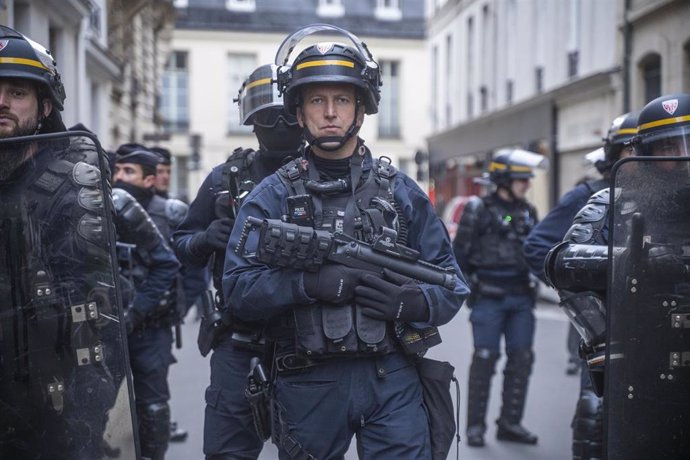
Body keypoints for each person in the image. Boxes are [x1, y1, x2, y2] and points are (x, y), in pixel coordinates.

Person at [222, 25, 468, 459]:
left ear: (362, 108)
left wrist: (412, 304)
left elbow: (451, 284)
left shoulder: (402, 192)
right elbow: (237, 290)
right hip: (307, 382)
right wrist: (307, 286)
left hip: (392, 377)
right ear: (299, 113)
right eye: (317, 100)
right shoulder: (271, 196)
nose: (330, 112)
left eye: (342, 99)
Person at [0, 25, 141, 458]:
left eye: (17, 92)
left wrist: (83, 419)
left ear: (44, 106)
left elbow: (97, 315)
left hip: (43, 399)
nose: (1, 102)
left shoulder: (69, 186)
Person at [545, 93, 690, 459]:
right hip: (640, 361)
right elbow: (562, 264)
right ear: (646, 156)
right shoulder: (611, 202)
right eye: (669, 148)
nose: (682, 156)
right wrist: (632, 260)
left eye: (688, 143)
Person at [173, 62, 303, 460]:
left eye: (286, 115)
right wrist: (203, 241)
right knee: (228, 451)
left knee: (307, 448)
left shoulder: (326, 175)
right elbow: (179, 242)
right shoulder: (224, 177)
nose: (279, 124)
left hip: (309, 340)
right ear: (251, 119)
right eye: (268, 116)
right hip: (239, 340)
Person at [523, 112, 638, 459]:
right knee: (596, 414)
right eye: (631, 151)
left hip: (656, 333)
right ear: (615, 155)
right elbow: (538, 248)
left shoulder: (664, 197)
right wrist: (581, 294)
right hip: (607, 329)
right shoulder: (590, 196)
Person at [453, 148, 546, 447]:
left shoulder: (528, 211)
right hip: (488, 299)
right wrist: (469, 291)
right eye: (521, 179)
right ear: (504, 179)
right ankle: (474, 428)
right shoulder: (478, 208)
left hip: (521, 298)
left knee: (521, 360)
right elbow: (459, 257)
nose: (527, 184)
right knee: (484, 359)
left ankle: (510, 423)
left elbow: (536, 253)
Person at [113, 147, 188, 459]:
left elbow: (183, 266)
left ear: (149, 179)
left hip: (152, 326)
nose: (119, 178)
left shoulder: (168, 213)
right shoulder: (108, 208)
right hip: (111, 324)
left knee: (152, 402)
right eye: (117, 171)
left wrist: (180, 305)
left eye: (128, 172)